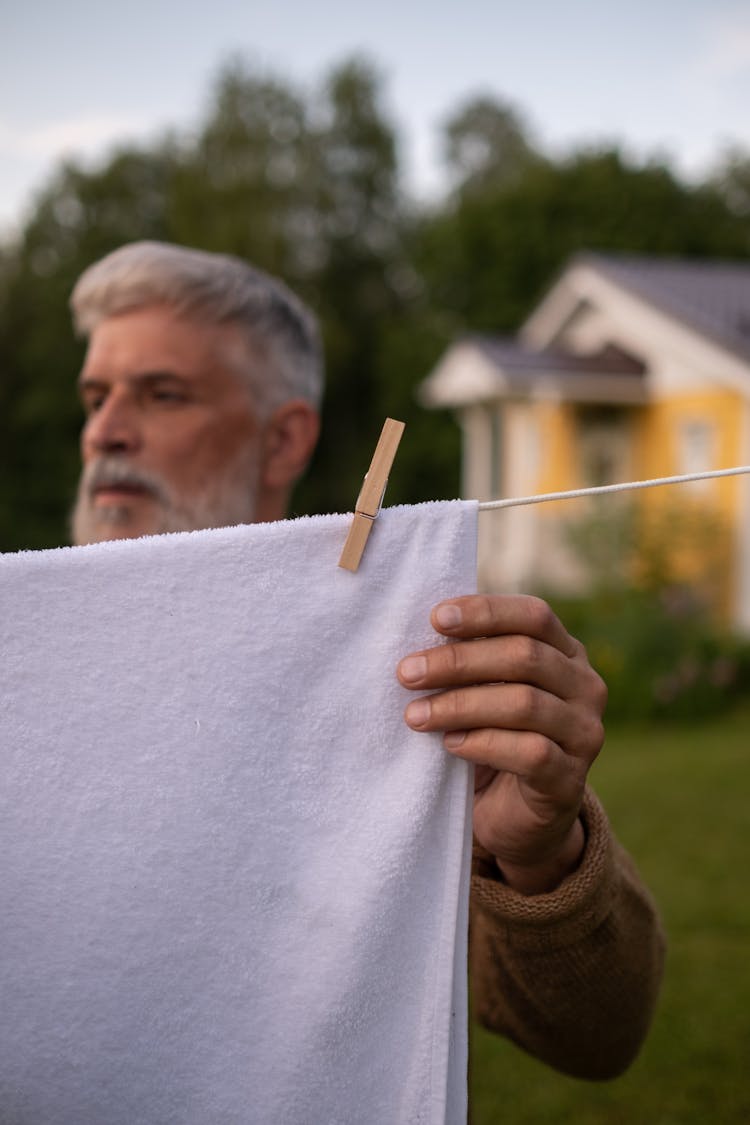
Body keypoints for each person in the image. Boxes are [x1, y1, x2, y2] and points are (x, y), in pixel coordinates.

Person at [70, 240, 665, 1081]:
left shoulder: (395, 671)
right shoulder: (26, 669)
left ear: (285, 441)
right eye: (95, 396)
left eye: (161, 394)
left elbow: (599, 1035)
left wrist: (537, 859)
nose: (105, 431)